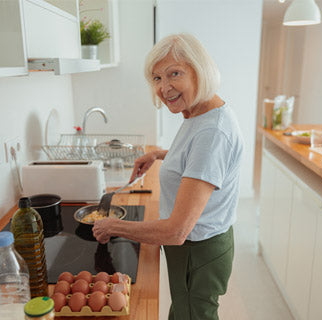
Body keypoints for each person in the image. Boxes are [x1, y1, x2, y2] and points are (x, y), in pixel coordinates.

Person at [93, 33, 244, 320]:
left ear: (199, 71)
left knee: (191, 315)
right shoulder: (200, 112)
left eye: (174, 74)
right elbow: (196, 156)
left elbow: (176, 231)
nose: (164, 88)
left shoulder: (213, 132)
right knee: (184, 312)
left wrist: (115, 226)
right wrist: (159, 154)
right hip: (198, 248)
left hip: (197, 251)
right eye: (157, 78)